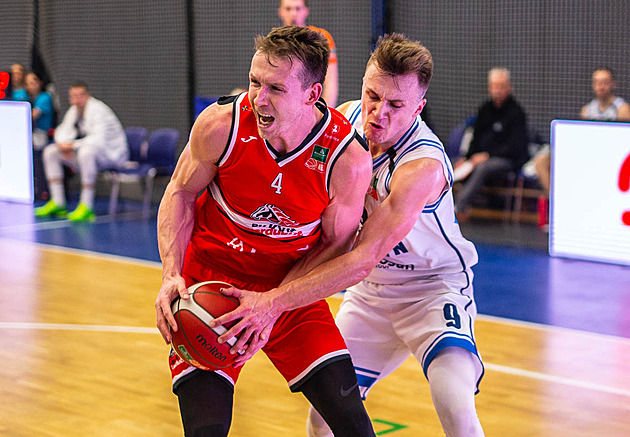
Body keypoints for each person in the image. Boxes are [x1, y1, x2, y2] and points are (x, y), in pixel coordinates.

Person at [210, 33, 485, 437]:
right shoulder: (343, 122)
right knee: (322, 421)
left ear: (419, 107)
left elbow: (361, 257)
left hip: (430, 289)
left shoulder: (421, 167)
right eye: (373, 96)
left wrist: (270, 305)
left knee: (453, 399)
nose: (379, 113)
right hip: (371, 295)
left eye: (396, 105)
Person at [153, 26, 375, 437]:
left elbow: (336, 244)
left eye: (275, 87)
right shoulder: (222, 125)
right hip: (210, 281)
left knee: (355, 428)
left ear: (312, 94)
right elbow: (180, 193)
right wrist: (170, 273)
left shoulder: (346, 158)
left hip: (288, 287)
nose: (259, 98)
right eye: (255, 82)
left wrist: (273, 303)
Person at [533, 67, 630, 225]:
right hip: (587, 157)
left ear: (613, 84)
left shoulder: (622, 109)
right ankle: (560, 205)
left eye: (605, 82)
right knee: (541, 162)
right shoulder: (587, 110)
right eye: (597, 83)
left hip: (610, 161)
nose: (601, 86)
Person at [34, 82, 128, 222]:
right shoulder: (74, 110)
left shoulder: (99, 110)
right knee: (51, 151)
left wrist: (72, 146)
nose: (77, 100)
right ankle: (58, 202)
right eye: (73, 96)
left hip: (112, 155)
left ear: (87, 95)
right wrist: (63, 145)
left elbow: (98, 140)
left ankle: (86, 205)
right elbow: (63, 130)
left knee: (86, 153)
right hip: (91, 153)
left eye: (80, 95)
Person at [454, 68, 529, 220]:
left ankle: (458, 207)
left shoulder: (517, 113)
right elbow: (475, 136)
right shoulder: (485, 109)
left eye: (501, 86)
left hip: (507, 160)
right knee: (452, 164)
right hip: (480, 157)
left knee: (483, 167)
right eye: (494, 86)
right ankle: (439, 207)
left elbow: (515, 147)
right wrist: (467, 156)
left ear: (509, 87)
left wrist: (487, 156)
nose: (498, 90)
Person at [278, 0, 338, 107]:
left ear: (306, 11)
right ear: (281, 12)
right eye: (288, 9)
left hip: (311, 107)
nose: (293, 14)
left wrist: (325, 113)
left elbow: (331, 83)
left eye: (298, 8)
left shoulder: (321, 38)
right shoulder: (275, 42)